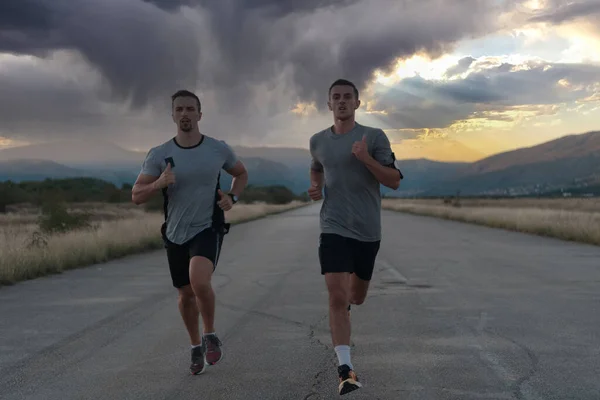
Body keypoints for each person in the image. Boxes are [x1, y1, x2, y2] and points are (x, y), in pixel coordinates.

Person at [131, 89, 248, 375]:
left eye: (189, 109)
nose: (185, 114)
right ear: (173, 115)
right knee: (185, 294)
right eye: (179, 109)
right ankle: (195, 345)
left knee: (199, 281)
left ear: (199, 114)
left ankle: (209, 334)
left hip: (208, 226)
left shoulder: (217, 149)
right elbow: (136, 195)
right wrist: (158, 183)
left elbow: (241, 174)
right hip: (174, 232)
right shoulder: (160, 154)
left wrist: (232, 198)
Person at [307, 79, 403, 395]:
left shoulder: (373, 137)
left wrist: (366, 159)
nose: (342, 101)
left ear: (357, 103)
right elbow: (317, 167)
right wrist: (316, 186)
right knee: (336, 294)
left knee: (355, 296)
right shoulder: (317, 141)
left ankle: (348, 306)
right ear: (329, 104)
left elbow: (394, 182)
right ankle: (345, 370)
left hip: (367, 231)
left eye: (348, 97)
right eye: (336, 97)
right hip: (332, 227)